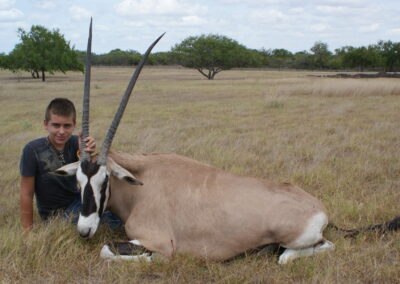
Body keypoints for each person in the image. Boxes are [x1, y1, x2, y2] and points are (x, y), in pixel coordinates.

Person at [19, 98, 121, 231]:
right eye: (56, 125)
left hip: (79, 201)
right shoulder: (32, 150)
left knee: (119, 211)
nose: (61, 131)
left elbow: (90, 176)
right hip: (55, 214)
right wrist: (27, 230)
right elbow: (26, 193)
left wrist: (90, 153)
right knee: (112, 222)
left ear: (74, 125)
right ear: (46, 124)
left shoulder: (75, 142)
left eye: (67, 126)